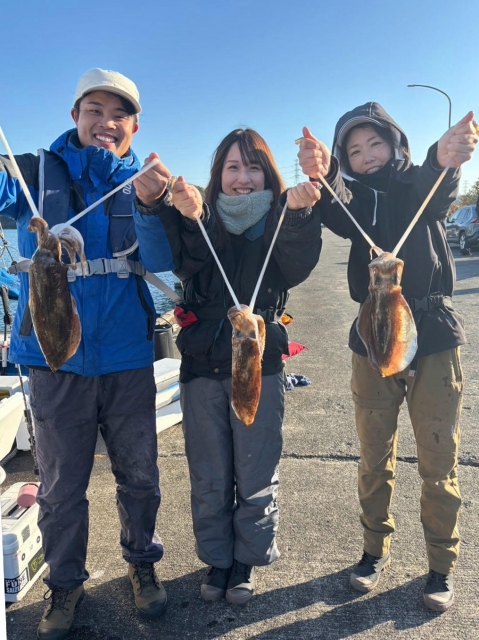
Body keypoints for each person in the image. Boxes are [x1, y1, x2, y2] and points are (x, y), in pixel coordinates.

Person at [0, 68, 175, 639]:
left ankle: (142, 564)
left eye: (119, 114)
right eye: (94, 110)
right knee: (60, 486)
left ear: (134, 126)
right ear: (75, 115)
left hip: (127, 357)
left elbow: (165, 259)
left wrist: (158, 204)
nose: (106, 122)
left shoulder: (145, 182)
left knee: (140, 477)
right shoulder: (31, 173)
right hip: (55, 361)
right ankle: (64, 583)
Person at [298, 103, 478, 612]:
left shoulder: (418, 183)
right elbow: (339, 205)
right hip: (372, 338)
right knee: (374, 455)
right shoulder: (355, 200)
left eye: (375, 143)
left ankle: (440, 564)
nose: (367, 155)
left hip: (434, 335)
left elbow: (437, 187)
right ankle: (373, 551)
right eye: (354, 150)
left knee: (438, 459)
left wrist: (446, 157)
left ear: (397, 143)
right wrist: (325, 173)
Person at [153, 128, 332, 604]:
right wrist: (181, 212)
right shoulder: (198, 216)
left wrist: (300, 215)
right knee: (208, 472)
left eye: (253, 168)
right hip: (202, 364)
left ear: (268, 174)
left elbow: (296, 268)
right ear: (218, 176)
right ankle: (217, 559)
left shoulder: (282, 216)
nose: (243, 178)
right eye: (232, 167)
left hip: (261, 362)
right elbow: (184, 263)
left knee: (256, 468)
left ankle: (247, 559)